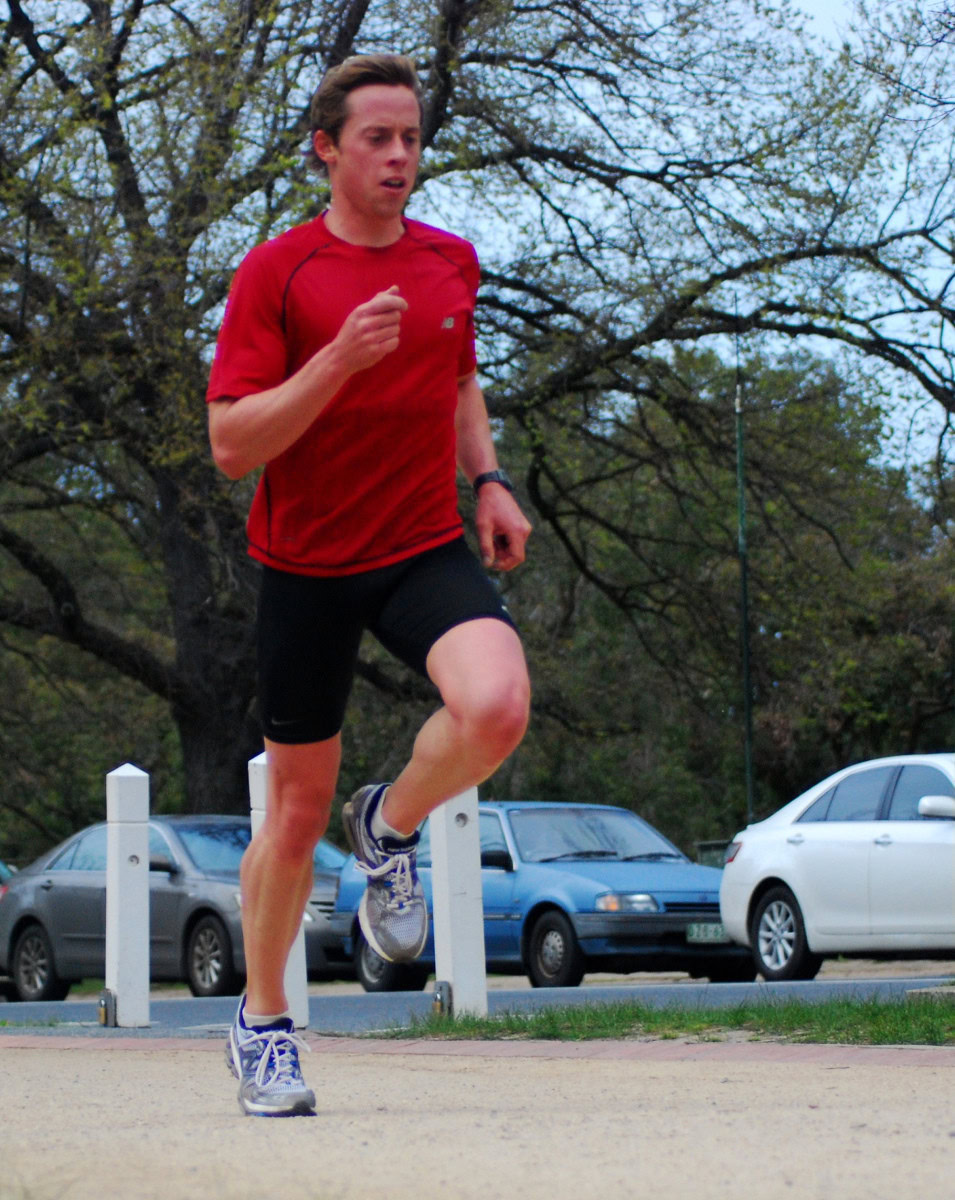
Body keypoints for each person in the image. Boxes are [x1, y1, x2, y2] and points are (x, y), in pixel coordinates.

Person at [206, 53, 532, 1117]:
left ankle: (389, 826)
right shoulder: (279, 274)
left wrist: (485, 477)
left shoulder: (449, 261)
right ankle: (262, 1027)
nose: (399, 157)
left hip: (417, 543)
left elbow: (458, 374)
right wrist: (337, 361)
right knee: (291, 817)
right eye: (377, 139)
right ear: (326, 148)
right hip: (304, 564)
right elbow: (229, 442)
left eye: (410, 138)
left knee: (495, 706)